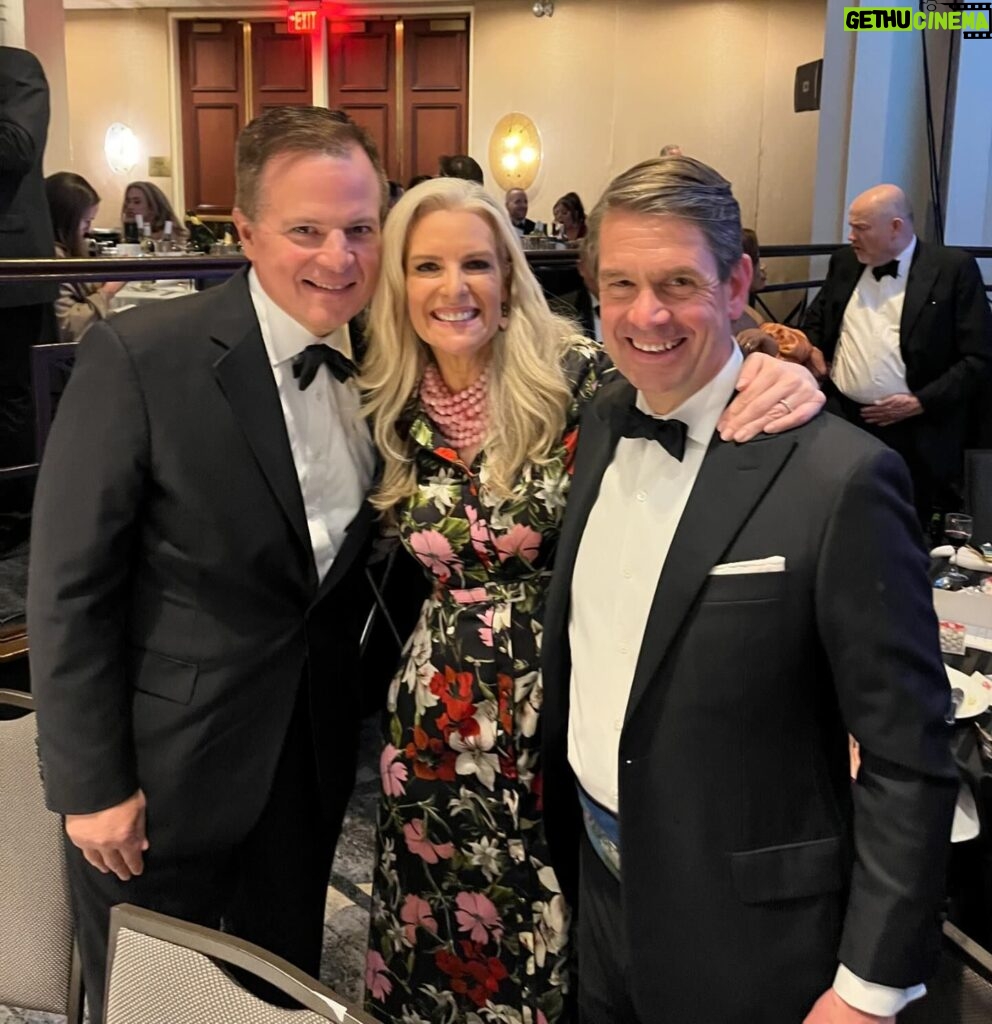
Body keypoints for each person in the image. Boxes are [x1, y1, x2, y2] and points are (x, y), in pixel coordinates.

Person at [358, 176, 826, 1024]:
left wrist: (780, 367)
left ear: (509, 275)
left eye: (475, 263)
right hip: (432, 724)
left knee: (567, 944)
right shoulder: (387, 399)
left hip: (564, 707)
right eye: (426, 266)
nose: (452, 288)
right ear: (399, 283)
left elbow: (690, 358)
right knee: (437, 935)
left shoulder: (577, 373)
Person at [540, 156, 959, 1024]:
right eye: (620, 283)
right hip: (602, 889)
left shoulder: (842, 480)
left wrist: (869, 989)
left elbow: (907, 756)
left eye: (677, 282)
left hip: (753, 931)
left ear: (737, 284)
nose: (644, 313)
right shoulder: (606, 416)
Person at [28, 106, 405, 1023]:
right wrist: (92, 787)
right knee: (149, 1004)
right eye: (306, 231)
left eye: (361, 230)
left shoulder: (393, 361)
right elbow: (69, 586)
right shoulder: (143, 356)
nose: (339, 257)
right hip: (162, 778)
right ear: (244, 231)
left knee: (275, 990)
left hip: (309, 768)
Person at [803, 183, 992, 528]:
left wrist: (920, 402)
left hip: (914, 430)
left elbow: (979, 358)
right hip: (842, 416)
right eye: (851, 226)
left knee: (900, 524)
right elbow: (817, 319)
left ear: (896, 227)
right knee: (833, 515)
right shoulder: (844, 263)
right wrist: (812, 349)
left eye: (860, 228)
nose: (850, 236)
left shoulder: (952, 270)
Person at [0, 46, 58, 547]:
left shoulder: (16, 68)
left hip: (11, 273)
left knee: (13, 400)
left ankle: (17, 518)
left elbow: (18, 146)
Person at [45, 171, 124, 341]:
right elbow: (68, 326)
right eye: (86, 221)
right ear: (67, 220)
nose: (88, 230)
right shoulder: (53, 259)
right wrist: (109, 290)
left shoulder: (63, 252)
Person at [121, 180, 187, 242]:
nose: (129, 207)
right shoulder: (124, 239)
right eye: (128, 202)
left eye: (137, 202)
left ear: (153, 207)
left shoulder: (172, 239)